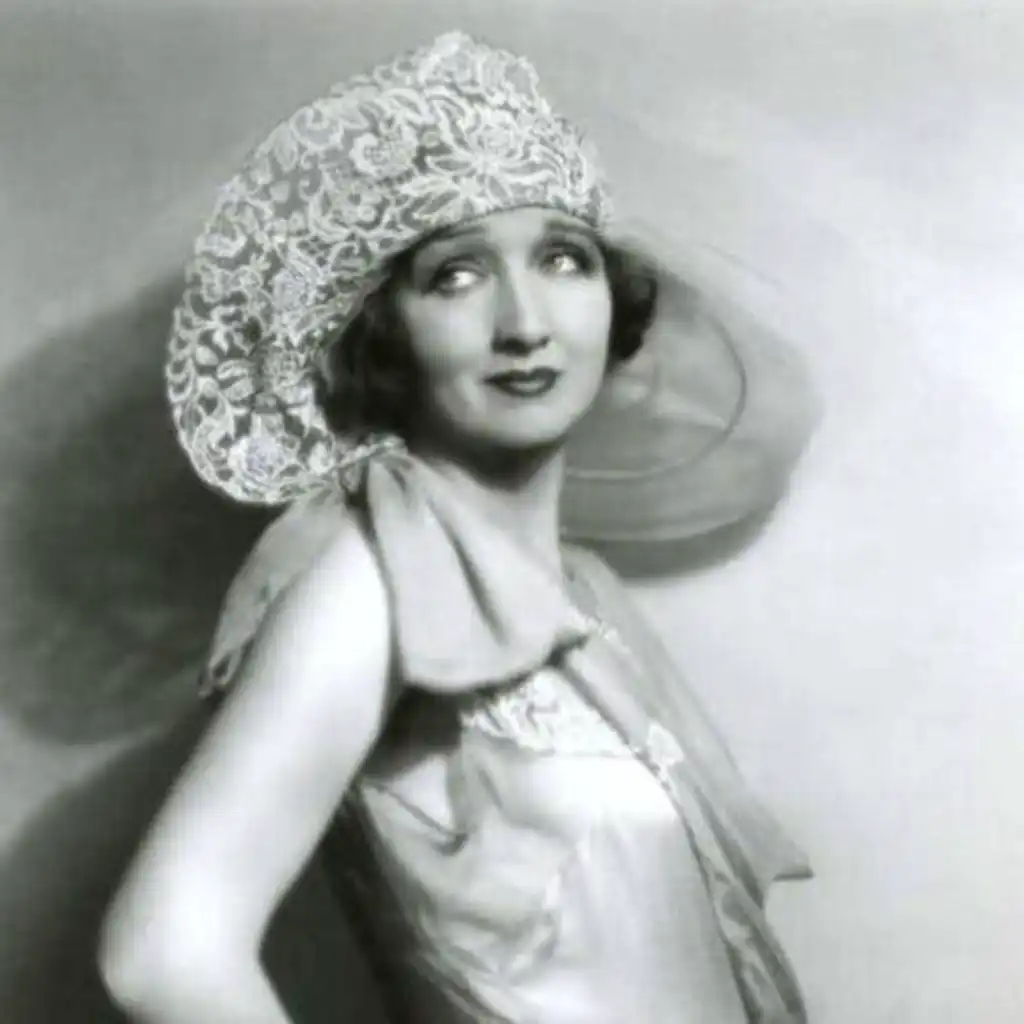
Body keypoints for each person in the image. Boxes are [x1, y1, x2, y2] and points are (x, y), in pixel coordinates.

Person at [99, 30, 817, 1024]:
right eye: (456, 275)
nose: (525, 322)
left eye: (562, 259)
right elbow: (161, 954)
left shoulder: (579, 591)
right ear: (383, 332)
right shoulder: (369, 580)